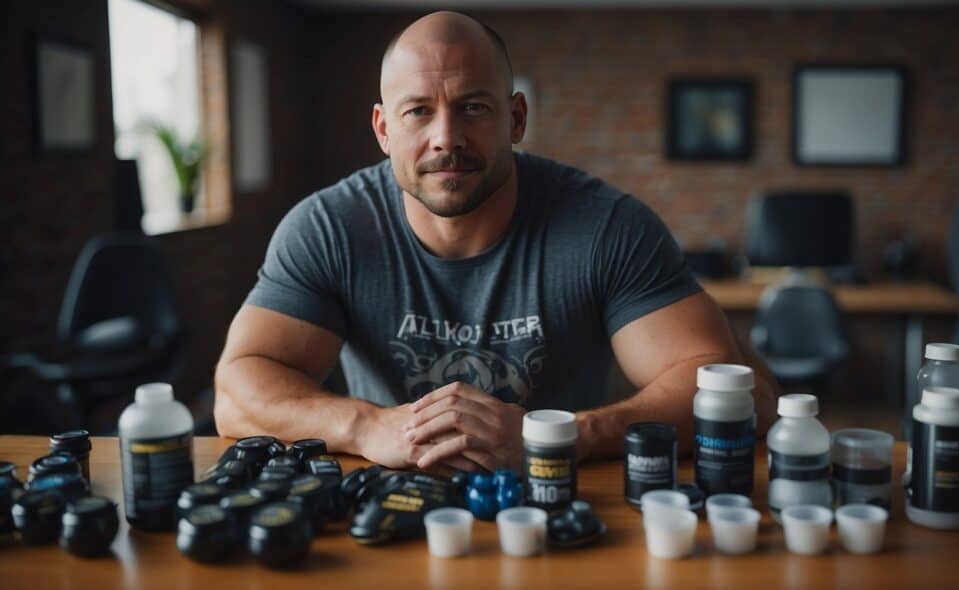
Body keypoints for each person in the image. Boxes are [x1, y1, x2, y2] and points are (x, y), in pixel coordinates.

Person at [214, 11, 778, 475]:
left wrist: (557, 436)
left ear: (515, 118)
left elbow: (712, 374)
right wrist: (367, 426)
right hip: (388, 495)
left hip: (558, 489)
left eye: (473, 108)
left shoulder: (608, 227)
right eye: (418, 112)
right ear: (385, 130)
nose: (446, 139)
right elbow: (237, 393)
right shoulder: (328, 228)